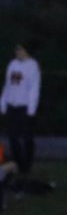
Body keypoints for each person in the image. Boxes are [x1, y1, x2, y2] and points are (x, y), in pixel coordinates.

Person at [1, 42, 41, 175]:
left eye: (21, 49)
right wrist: (3, 102)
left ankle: (27, 165)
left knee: (26, 138)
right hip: (12, 106)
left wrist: (31, 109)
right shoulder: (13, 64)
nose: (18, 52)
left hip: (24, 107)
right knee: (12, 137)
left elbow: (33, 89)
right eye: (17, 49)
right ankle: (17, 164)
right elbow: (8, 85)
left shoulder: (32, 66)